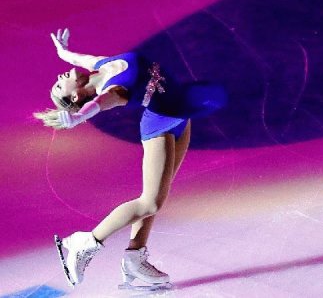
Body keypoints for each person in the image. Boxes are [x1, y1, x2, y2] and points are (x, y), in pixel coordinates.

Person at [34, 29, 226, 288]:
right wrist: (79, 116)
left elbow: (85, 59)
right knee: (150, 203)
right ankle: (86, 242)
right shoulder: (113, 90)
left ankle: (135, 257)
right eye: (60, 86)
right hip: (159, 126)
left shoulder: (101, 67)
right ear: (77, 96)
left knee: (159, 194)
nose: (59, 77)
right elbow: (101, 103)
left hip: (181, 114)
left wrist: (64, 53)